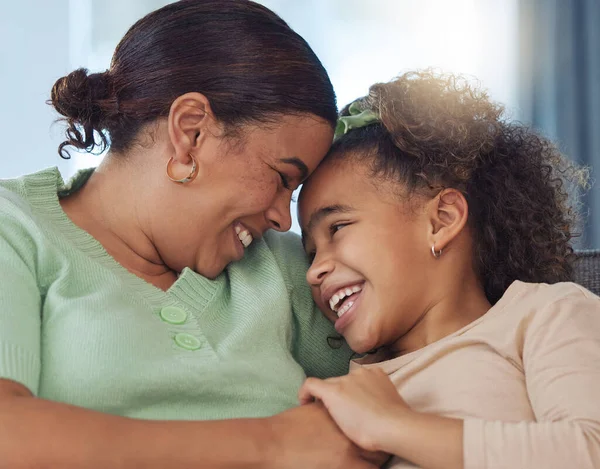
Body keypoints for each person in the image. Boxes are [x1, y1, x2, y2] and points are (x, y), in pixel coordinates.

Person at [0, 1, 385, 468]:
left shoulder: (285, 269)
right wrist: (272, 445)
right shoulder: (15, 230)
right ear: (192, 132)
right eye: (282, 177)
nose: (285, 219)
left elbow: (438, 337)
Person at [298, 70, 600, 469]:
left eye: (337, 228)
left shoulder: (543, 313)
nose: (313, 271)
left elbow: (589, 450)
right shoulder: (350, 388)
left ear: (441, 219)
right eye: (309, 252)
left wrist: (393, 426)